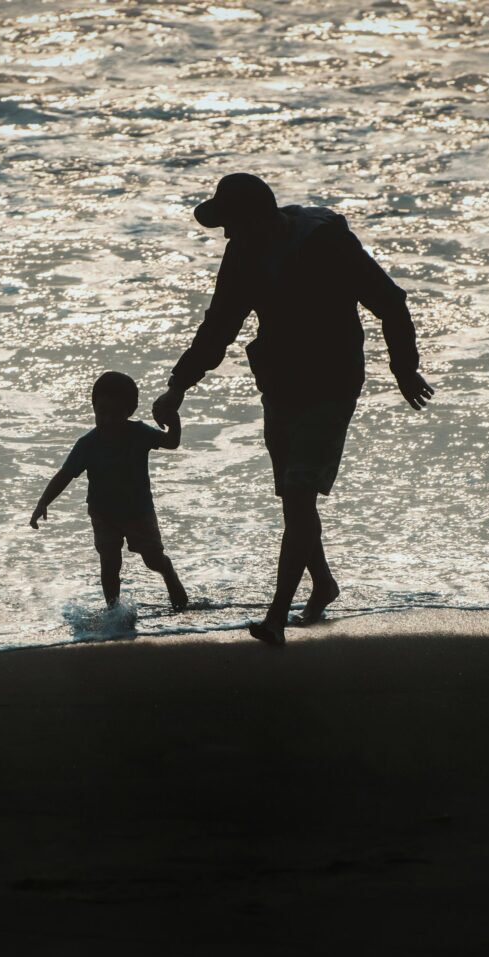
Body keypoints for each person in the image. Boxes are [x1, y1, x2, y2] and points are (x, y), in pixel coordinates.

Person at [153, 172, 433, 645]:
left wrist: (404, 368)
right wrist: (178, 385)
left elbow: (390, 302)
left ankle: (277, 616)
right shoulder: (242, 251)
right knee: (293, 497)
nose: (225, 234)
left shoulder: (327, 241)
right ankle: (322, 584)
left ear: (258, 217)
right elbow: (219, 325)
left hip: (332, 382)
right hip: (281, 383)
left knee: (300, 494)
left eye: (231, 223)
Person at [30, 370, 188, 611]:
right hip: (103, 515)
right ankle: (113, 612)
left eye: (115, 413)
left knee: (153, 559)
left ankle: (168, 572)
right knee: (109, 566)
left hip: (139, 513)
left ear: (129, 411)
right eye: (101, 412)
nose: (107, 419)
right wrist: (43, 502)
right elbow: (65, 474)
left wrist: (173, 421)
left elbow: (171, 442)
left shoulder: (140, 434)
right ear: (94, 408)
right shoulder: (88, 444)